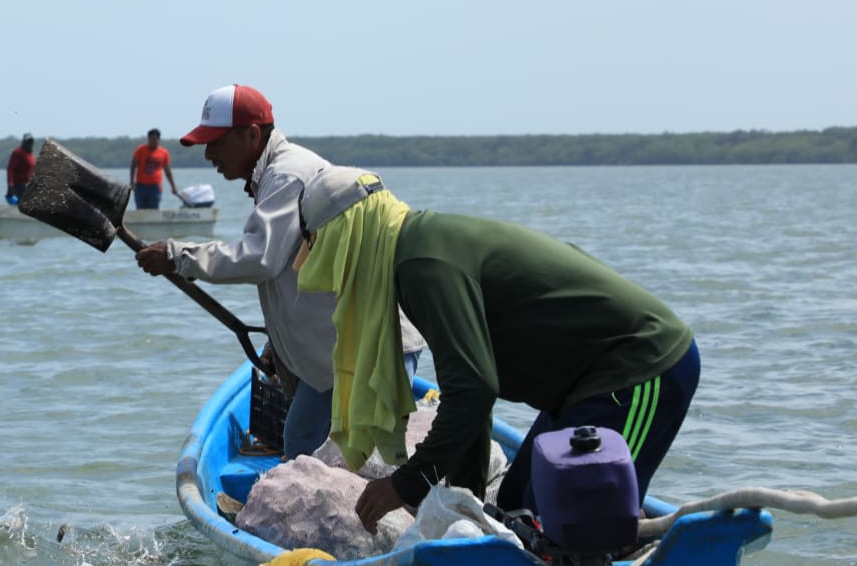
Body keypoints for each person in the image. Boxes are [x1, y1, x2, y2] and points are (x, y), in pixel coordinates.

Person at [292, 165, 700, 535]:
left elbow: (473, 390)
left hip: (641, 369)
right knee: (514, 508)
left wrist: (406, 483)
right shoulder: (413, 250)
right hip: (580, 390)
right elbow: (470, 390)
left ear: (344, 235)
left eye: (314, 242)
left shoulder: (423, 264)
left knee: (571, 531)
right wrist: (466, 504)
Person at [134, 84, 425, 459]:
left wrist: (179, 256)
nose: (209, 154)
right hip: (339, 351)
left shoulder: (287, 176)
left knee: (361, 463)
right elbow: (296, 273)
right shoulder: (273, 176)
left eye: (216, 142)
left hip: (373, 346)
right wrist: (280, 344)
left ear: (252, 135)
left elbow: (260, 258)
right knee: (302, 442)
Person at [128, 128, 180, 210]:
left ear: (159, 139)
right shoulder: (140, 150)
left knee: (153, 210)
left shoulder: (164, 153)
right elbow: (133, 165)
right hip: (141, 186)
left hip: (155, 187)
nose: (152, 141)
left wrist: (173, 186)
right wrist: (132, 181)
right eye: (150, 139)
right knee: (140, 209)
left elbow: (167, 171)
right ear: (148, 139)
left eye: (155, 139)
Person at [6, 134, 36, 204]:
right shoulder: (18, 152)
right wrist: (10, 186)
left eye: (31, 141)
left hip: (27, 186)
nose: (29, 143)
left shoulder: (30, 154)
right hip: (18, 186)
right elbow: (10, 170)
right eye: (28, 141)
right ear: (24, 141)